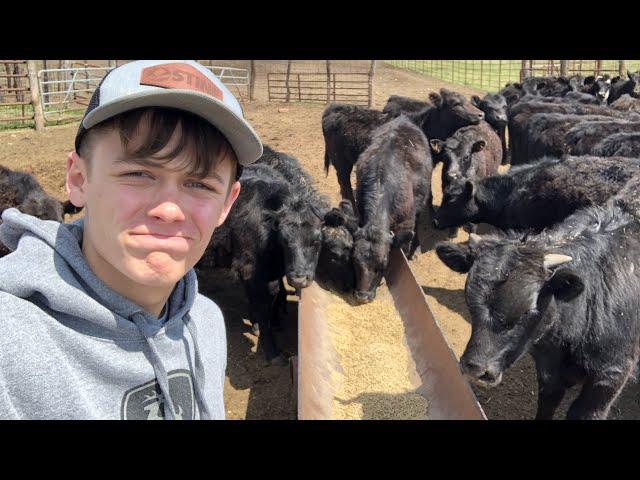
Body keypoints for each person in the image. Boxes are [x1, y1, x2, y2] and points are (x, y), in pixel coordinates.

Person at [0, 60, 262, 419]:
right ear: (78, 179)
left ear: (226, 205)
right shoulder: (10, 344)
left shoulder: (206, 323)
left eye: (200, 184)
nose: (169, 210)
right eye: (138, 173)